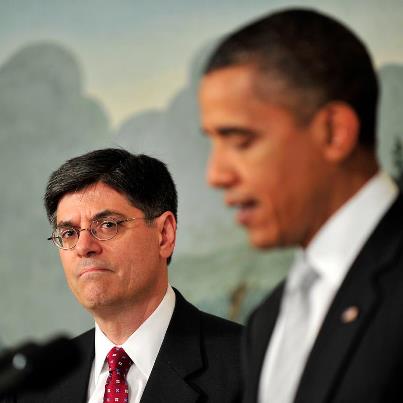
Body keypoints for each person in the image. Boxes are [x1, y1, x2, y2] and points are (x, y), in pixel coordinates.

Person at [199, 7, 403, 403]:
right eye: (212, 141)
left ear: (333, 132)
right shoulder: (266, 322)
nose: (216, 174)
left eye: (240, 140)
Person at [10, 148, 242, 403]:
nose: (84, 246)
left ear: (164, 234)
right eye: (69, 233)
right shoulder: (35, 386)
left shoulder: (249, 363)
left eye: (108, 224)